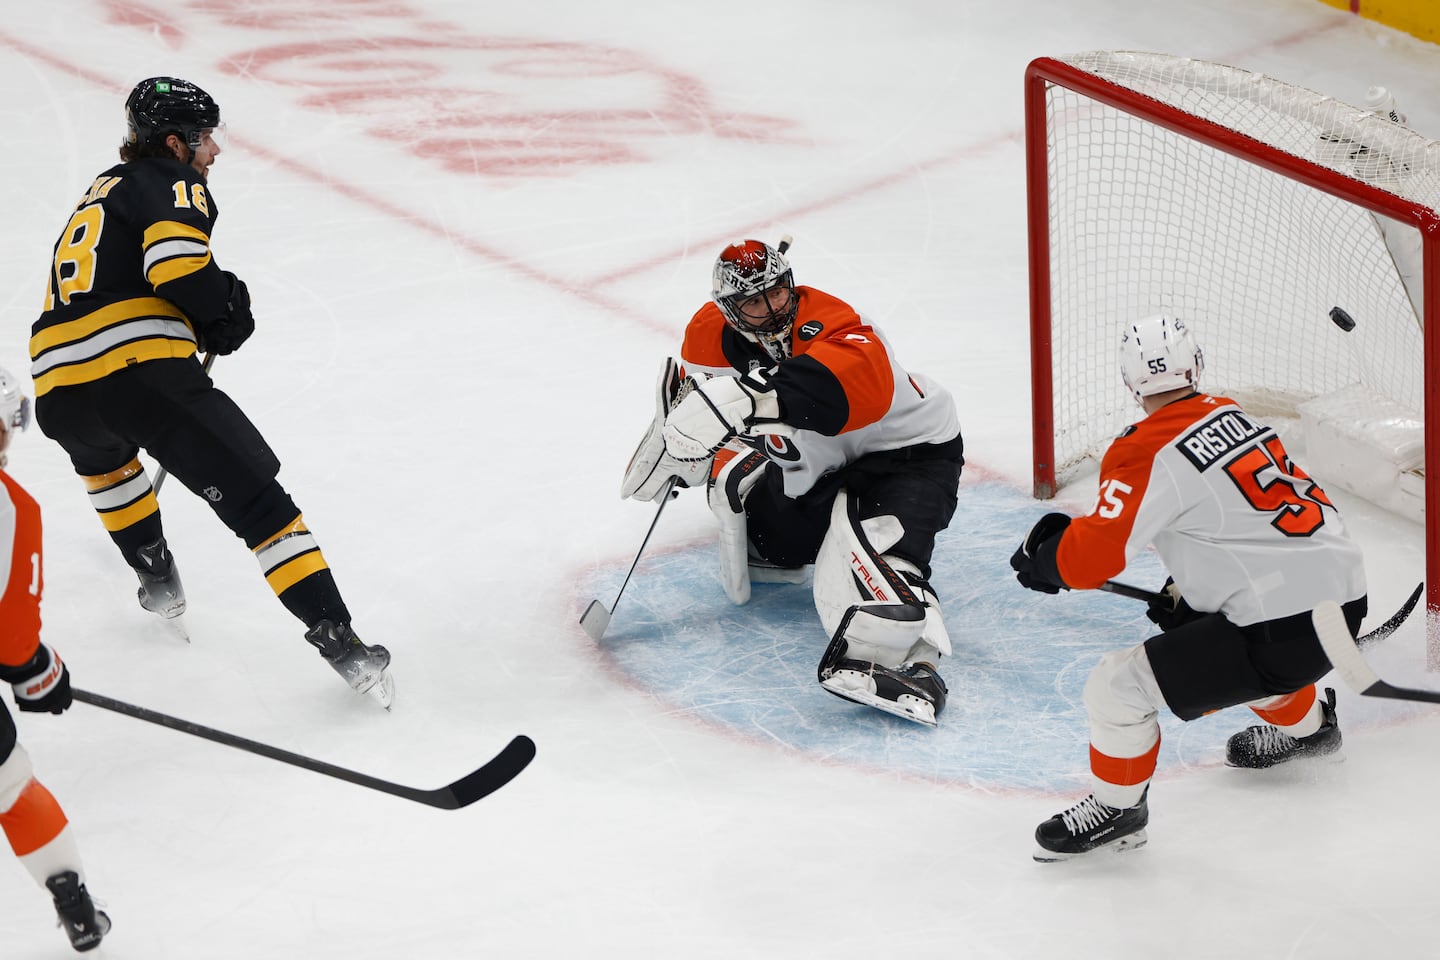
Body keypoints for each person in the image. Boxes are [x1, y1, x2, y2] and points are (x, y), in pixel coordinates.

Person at [29, 77, 393, 708]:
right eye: (205, 139)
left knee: (112, 469)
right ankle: (341, 640)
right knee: (261, 507)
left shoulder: (100, 192)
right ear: (175, 142)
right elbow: (173, 267)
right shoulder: (172, 180)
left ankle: (157, 579)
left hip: (57, 386)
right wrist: (221, 305)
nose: (214, 152)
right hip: (139, 370)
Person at [1010, 312, 1369, 861]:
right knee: (1237, 647)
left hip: (1286, 635)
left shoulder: (1143, 448)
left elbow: (1090, 562)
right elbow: (1246, 524)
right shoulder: (1232, 414)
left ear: (1131, 385)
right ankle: (1313, 731)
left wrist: (1049, 560)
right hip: (1346, 599)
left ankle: (1119, 811)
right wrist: (1195, 593)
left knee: (1117, 688)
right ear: (1195, 366)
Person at [621, 239, 964, 725]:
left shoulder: (836, 321)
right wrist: (687, 443)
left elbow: (854, 387)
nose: (774, 307)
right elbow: (700, 406)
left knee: (884, 549)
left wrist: (751, 399)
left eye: (779, 292)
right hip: (817, 464)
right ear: (729, 309)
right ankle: (759, 497)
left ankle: (916, 662)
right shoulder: (711, 336)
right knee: (772, 546)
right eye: (755, 301)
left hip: (907, 452)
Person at [0, 369, 111, 952]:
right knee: (10, 788)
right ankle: (73, 898)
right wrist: (39, 674)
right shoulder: (10, 506)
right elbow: (13, 642)